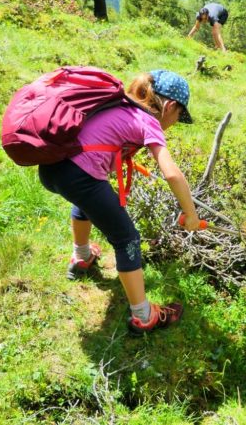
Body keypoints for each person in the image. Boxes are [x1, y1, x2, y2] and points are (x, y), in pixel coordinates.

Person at [37, 70, 202, 335]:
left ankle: (81, 257)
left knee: (87, 201)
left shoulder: (119, 103)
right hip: (79, 176)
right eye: (180, 115)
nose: (176, 121)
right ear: (170, 106)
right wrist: (190, 214)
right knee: (127, 239)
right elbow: (172, 173)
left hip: (52, 168)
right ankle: (144, 315)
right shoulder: (148, 120)